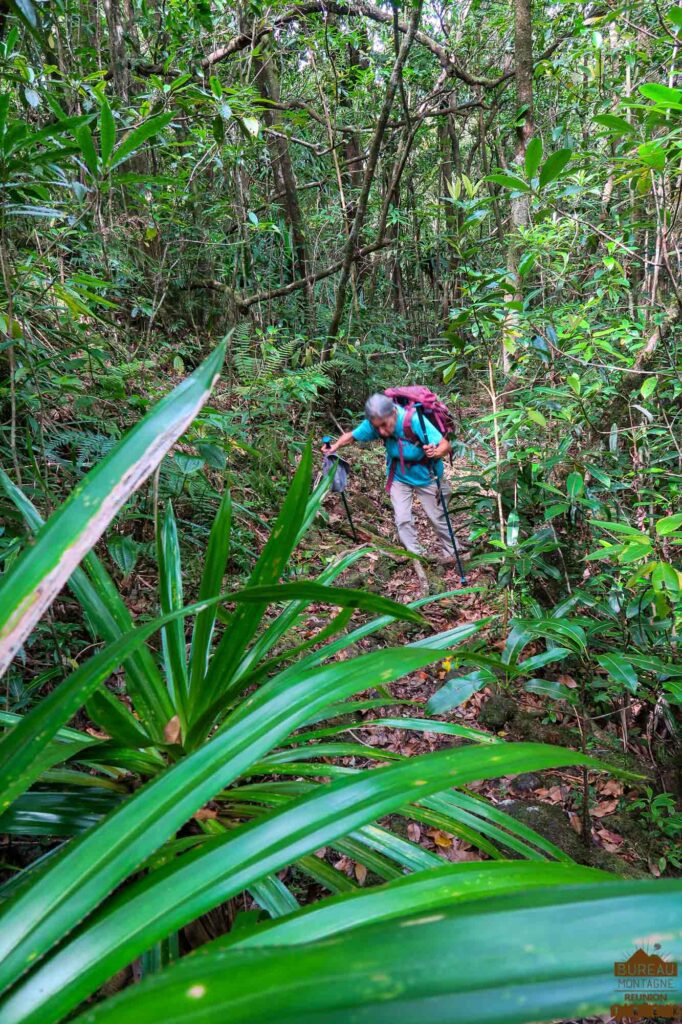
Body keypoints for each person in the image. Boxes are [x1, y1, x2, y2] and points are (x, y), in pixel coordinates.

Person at [323, 393, 458, 564]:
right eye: (376, 427)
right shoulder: (376, 422)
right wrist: (335, 446)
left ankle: (453, 553)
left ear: (394, 413)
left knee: (438, 518)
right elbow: (352, 436)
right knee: (402, 519)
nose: (381, 431)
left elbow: (445, 445)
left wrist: (436, 452)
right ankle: (416, 557)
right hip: (399, 476)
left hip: (427, 475)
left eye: (384, 426)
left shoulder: (413, 420)